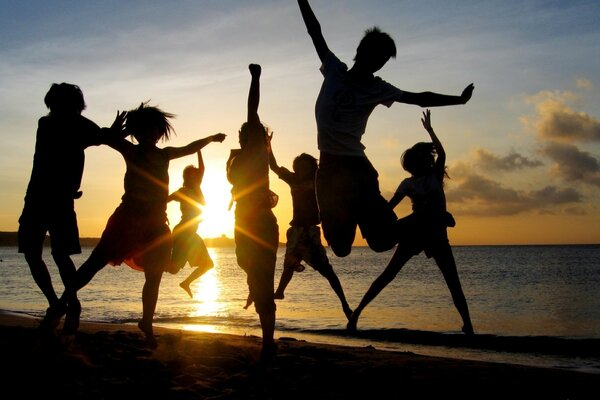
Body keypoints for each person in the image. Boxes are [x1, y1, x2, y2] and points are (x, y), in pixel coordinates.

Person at [297, 0, 474, 257]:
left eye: (383, 61)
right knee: (341, 248)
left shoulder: (378, 88)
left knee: (382, 242)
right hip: (328, 171)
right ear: (361, 51)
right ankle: (367, 213)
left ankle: (430, 218)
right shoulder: (335, 69)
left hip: (357, 169)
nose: (378, 64)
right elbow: (315, 31)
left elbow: (419, 97)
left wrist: (459, 100)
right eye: (376, 56)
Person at [60, 102, 226, 347]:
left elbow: (189, 147)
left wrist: (210, 138)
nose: (151, 135)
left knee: (155, 275)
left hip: (157, 224)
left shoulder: (164, 154)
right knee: (95, 262)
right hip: (128, 219)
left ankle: (146, 321)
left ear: (160, 132)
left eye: (155, 130)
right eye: (143, 130)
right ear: (136, 132)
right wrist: (120, 131)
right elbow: (104, 138)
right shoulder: (131, 150)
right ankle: (64, 301)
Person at [347, 110, 474, 335]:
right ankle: (356, 313)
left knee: (453, 282)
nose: (414, 166)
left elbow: (442, 153)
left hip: (435, 235)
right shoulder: (407, 184)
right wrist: (371, 212)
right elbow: (389, 207)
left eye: (417, 162)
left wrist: (431, 131)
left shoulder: (434, 177)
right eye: (411, 164)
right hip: (414, 232)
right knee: (388, 274)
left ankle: (468, 326)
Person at [17, 82, 126, 335]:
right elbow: (102, 136)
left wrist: (114, 131)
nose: (58, 108)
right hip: (37, 197)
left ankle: (70, 304)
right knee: (33, 254)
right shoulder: (49, 124)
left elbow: (103, 137)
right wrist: (111, 132)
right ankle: (57, 304)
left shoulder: (78, 124)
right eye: (55, 104)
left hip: (59, 200)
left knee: (58, 254)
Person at [226, 64, 279, 362]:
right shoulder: (238, 158)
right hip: (241, 224)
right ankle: (254, 286)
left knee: (264, 284)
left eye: (255, 132)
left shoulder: (259, 154)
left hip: (262, 224)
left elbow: (251, 109)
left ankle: (268, 342)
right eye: (247, 133)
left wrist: (255, 78)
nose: (251, 134)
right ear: (242, 138)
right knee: (243, 262)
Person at [268, 145, 353, 320]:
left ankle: (345, 304)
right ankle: (279, 292)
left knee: (327, 271)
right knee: (289, 265)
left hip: (311, 231)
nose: (300, 168)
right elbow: (274, 166)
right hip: (296, 230)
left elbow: (334, 172)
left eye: (304, 165)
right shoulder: (292, 179)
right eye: (297, 165)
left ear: (312, 166)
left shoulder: (318, 178)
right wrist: (268, 146)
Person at [167, 151, 215, 298]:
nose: (197, 176)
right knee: (174, 268)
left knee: (207, 264)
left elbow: (202, 169)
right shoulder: (182, 192)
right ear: (187, 177)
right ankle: (152, 262)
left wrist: (199, 150)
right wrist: (162, 214)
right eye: (192, 175)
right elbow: (164, 200)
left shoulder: (197, 189)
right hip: (183, 232)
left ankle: (186, 283)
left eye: (196, 175)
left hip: (190, 234)